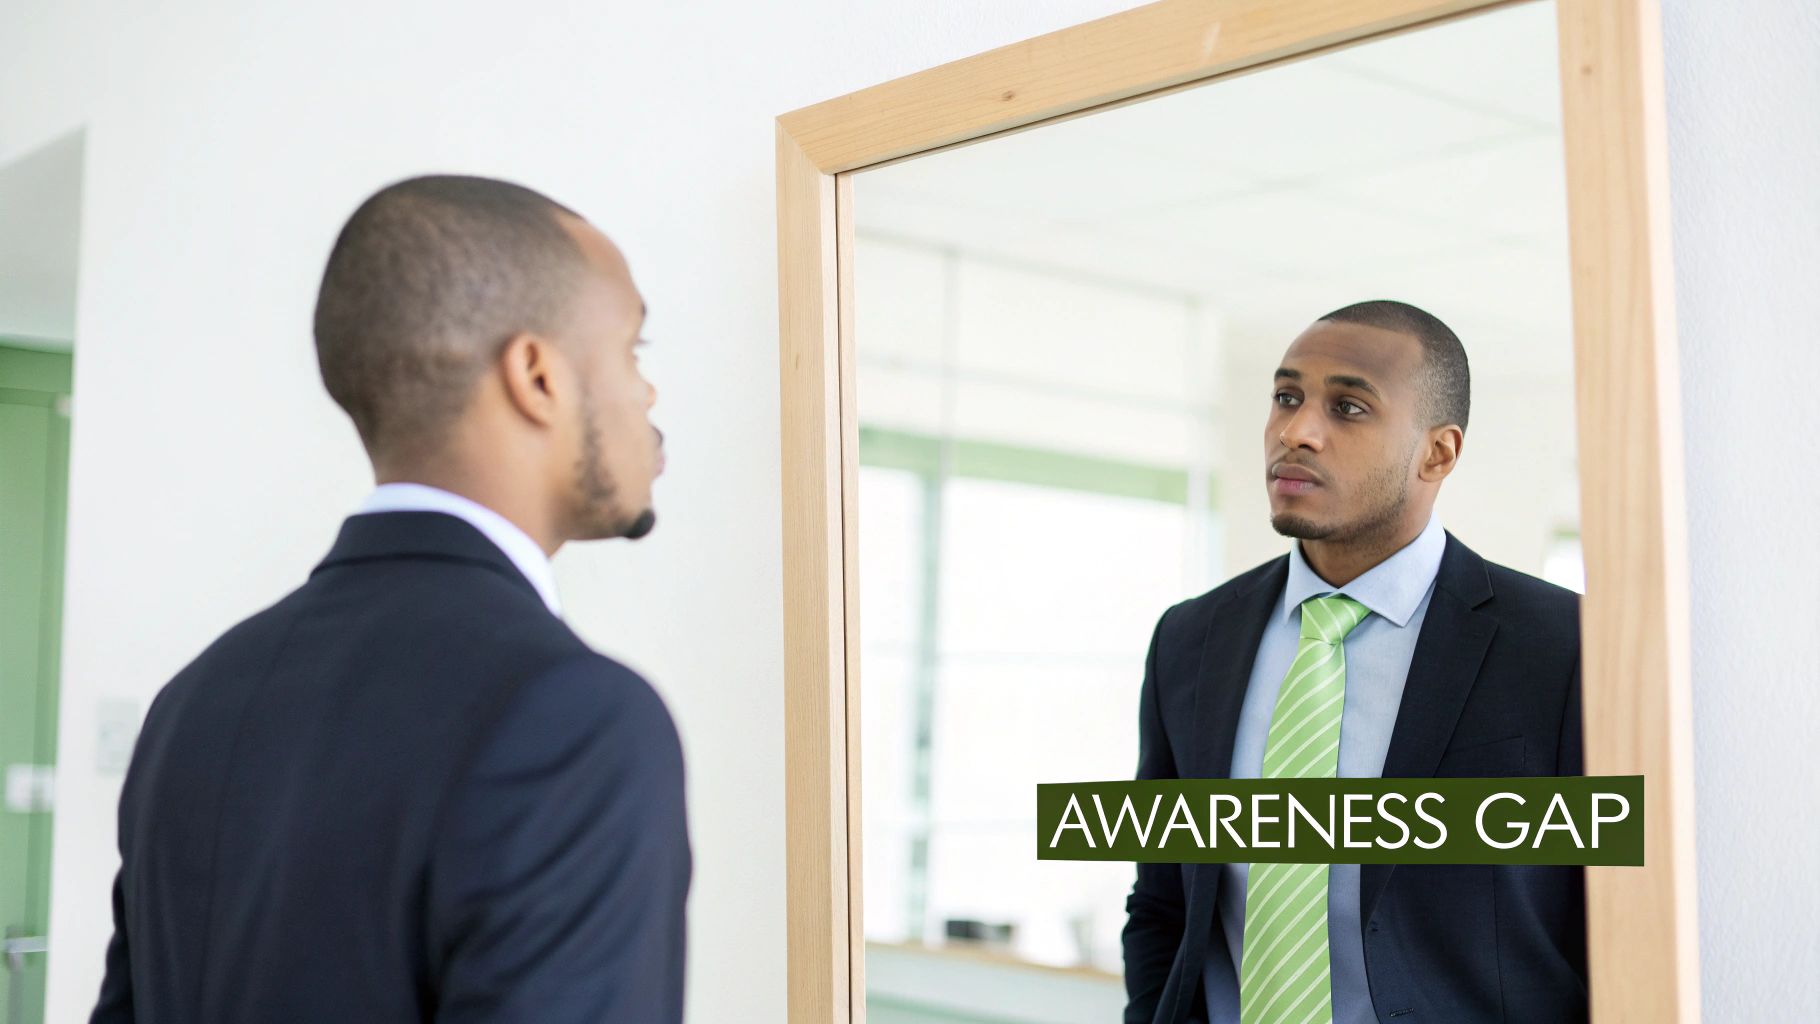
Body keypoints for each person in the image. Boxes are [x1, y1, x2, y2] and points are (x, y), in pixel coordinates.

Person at [90, 175, 689, 1022]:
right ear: (536, 375)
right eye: (634, 350)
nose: (648, 393)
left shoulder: (195, 701)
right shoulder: (579, 718)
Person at [1121, 301, 1586, 1024]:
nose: (1296, 432)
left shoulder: (1563, 646)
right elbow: (1162, 902)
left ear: (1438, 452)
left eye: (1348, 407)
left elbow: (1610, 922)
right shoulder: (1189, 639)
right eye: (1286, 398)